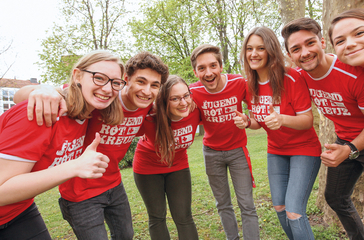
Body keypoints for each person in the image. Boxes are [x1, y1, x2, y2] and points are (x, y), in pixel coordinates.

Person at [14, 51, 169, 240]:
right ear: (126, 79)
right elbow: (21, 97)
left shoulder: (146, 105)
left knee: (126, 235)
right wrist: (42, 90)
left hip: (114, 184)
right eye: (141, 82)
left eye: (154, 85)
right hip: (80, 192)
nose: (147, 91)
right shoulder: (102, 98)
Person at [281, 18, 364, 240]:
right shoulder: (300, 77)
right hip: (345, 140)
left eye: (310, 43)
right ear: (290, 55)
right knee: (336, 197)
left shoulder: (355, 74)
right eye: (296, 49)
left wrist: (349, 149)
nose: (305, 52)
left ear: (322, 42)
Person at [0, 50, 125, 239]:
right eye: (99, 78)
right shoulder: (44, 113)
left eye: (115, 83)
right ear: (77, 76)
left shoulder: (87, 113)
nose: (108, 89)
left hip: (19, 210)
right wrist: (74, 167)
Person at [234, 26, 321, 239]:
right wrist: (248, 121)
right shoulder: (249, 84)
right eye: (250, 49)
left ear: (270, 51)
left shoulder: (290, 78)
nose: (254, 54)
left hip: (304, 150)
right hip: (276, 151)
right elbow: (259, 122)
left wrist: (281, 119)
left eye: (260, 48)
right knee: (280, 207)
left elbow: (307, 121)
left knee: (294, 211)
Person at [189, 44, 260, 240]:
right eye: (202, 68)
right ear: (195, 72)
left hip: (237, 151)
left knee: (246, 203)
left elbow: (258, 121)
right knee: (223, 203)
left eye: (213, 65)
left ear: (221, 66)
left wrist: (246, 121)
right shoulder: (192, 92)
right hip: (211, 153)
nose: (209, 72)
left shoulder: (238, 82)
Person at [133, 75, 200, 240]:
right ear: (164, 101)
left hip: (178, 166)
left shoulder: (196, 109)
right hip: (147, 169)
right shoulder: (149, 117)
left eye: (186, 95)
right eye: (175, 99)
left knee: (184, 217)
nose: (183, 102)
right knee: (157, 217)